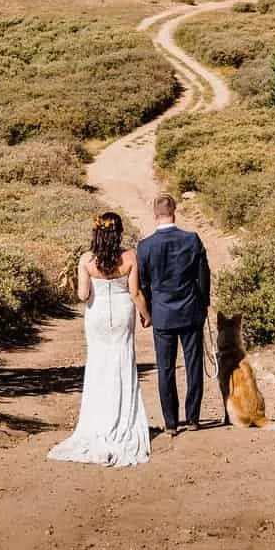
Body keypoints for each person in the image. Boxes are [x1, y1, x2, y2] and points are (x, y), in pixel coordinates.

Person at [47, 211, 152, 466]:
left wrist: (74, 281)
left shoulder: (86, 259)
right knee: (122, 362)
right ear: (118, 233)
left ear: (97, 232)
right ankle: (122, 419)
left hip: (97, 317)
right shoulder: (129, 257)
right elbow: (135, 292)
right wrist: (146, 314)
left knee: (98, 365)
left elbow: (83, 295)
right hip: (122, 313)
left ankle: (99, 420)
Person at [136, 193, 211, 434]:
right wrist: (203, 305)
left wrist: (146, 311)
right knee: (193, 365)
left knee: (165, 368)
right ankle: (193, 418)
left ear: (155, 214)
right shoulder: (192, 239)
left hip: (162, 314)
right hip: (190, 311)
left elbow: (144, 283)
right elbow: (203, 277)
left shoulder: (145, 246)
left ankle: (170, 422)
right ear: (174, 211)